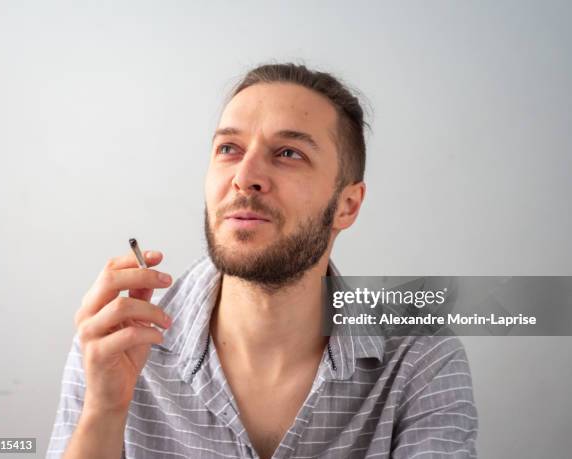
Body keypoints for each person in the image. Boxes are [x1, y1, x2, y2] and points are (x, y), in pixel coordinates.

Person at [46, 62, 478, 458]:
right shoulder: (119, 336)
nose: (245, 177)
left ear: (347, 205)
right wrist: (103, 411)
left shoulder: (419, 355)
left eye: (289, 153)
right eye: (228, 148)